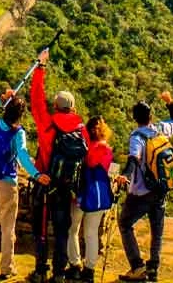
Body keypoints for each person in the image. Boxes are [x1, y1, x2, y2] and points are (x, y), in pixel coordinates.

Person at [29, 50, 89, 282]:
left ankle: (40, 270)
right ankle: (59, 273)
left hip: (45, 182)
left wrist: (40, 68)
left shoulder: (47, 124)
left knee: (41, 230)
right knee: (62, 230)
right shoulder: (80, 129)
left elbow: (35, 99)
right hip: (67, 189)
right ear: (72, 107)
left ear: (55, 106)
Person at [0, 90, 45, 280]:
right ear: (20, 115)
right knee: (8, 228)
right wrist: (37, 174)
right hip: (6, 183)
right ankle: (6, 268)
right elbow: (23, 156)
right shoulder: (18, 134)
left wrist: (1, 98)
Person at [116, 92, 173, 281]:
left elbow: (133, 159)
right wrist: (170, 103)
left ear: (134, 118)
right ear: (151, 116)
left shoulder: (137, 136)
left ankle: (137, 266)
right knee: (157, 229)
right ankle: (153, 269)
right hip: (161, 189)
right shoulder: (161, 129)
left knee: (125, 223)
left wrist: (125, 176)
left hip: (141, 192)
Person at [67, 117, 117, 282]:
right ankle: (89, 271)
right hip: (99, 195)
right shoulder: (107, 150)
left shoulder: (84, 148)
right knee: (91, 233)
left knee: (73, 229)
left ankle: (75, 265)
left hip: (81, 194)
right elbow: (109, 171)